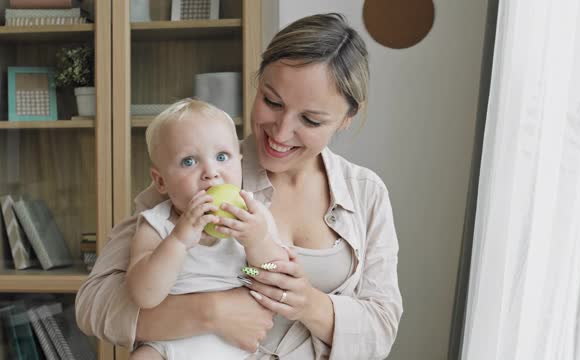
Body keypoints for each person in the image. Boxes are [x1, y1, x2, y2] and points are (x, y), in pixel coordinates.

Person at [76, 13, 403, 359]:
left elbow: (380, 329)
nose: (280, 132)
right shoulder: (205, 172)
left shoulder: (365, 193)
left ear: (347, 118)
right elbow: (95, 304)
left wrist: (308, 302)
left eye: (310, 119)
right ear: (258, 82)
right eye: (272, 102)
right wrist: (210, 310)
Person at [125, 99, 288, 359]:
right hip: (171, 344)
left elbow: (277, 276)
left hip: (240, 348)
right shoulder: (157, 225)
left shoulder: (254, 215)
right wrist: (178, 241)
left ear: (240, 164)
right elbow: (143, 295)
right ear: (161, 181)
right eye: (189, 162)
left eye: (222, 157)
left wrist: (256, 241)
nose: (211, 173)